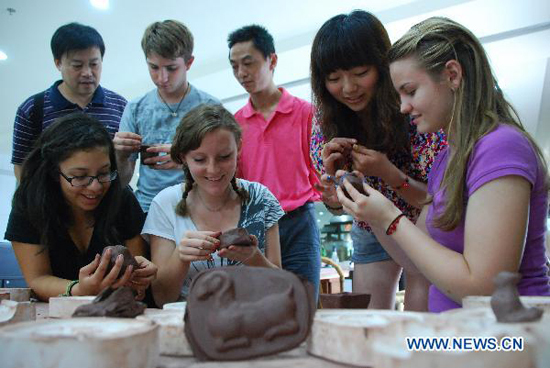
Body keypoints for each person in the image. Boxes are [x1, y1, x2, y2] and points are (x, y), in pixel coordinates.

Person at [337, 16, 550, 313]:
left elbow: (484, 290)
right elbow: (417, 262)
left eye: (410, 91)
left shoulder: (501, 147)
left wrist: (390, 217)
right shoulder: (447, 159)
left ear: (452, 75)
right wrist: (369, 208)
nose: (403, 107)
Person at [310, 11, 447, 311]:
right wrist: (336, 188)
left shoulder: (413, 108)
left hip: (427, 218)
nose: (348, 88)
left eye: (360, 73)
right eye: (334, 78)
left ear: (382, 65)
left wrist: (387, 173)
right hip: (372, 224)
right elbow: (334, 205)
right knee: (368, 315)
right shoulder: (324, 121)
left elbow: (439, 199)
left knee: (422, 282)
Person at [5, 113, 157, 302]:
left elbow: (136, 268)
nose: (95, 186)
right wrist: (78, 289)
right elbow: (38, 278)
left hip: (115, 313)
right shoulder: (30, 204)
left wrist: (140, 275)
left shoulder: (121, 198)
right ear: (54, 172)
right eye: (79, 176)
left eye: (104, 173)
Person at [142, 104, 283, 306]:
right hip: (188, 323)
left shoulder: (260, 199)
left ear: (239, 148)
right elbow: (162, 297)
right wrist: (180, 257)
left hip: (254, 320)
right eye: (199, 159)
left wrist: (254, 258)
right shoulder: (165, 204)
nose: (213, 169)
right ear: (183, 158)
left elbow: (281, 287)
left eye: (224, 157)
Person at [227, 25, 322, 297]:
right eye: (234, 66)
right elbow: (237, 182)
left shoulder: (305, 112)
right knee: (264, 305)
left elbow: (318, 170)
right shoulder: (235, 124)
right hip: (257, 225)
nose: (241, 73)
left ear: (272, 60)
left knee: (304, 302)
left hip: (299, 222)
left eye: (248, 63)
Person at [114, 20, 219, 212]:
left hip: (200, 209)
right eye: (154, 67)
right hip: (149, 210)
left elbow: (225, 167)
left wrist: (186, 159)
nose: (161, 78)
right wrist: (119, 156)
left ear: (189, 63)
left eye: (171, 68)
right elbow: (122, 180)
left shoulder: (211, 108)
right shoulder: (135, 108)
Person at [11, 22, 127, 181]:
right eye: (77, 65)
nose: (87, 73)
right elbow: (21, 165)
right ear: (58, 63)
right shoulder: (32, 109)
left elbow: (125, 163)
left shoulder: (121, 106)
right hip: (52, 203)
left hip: (108, 200)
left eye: (94, 64)